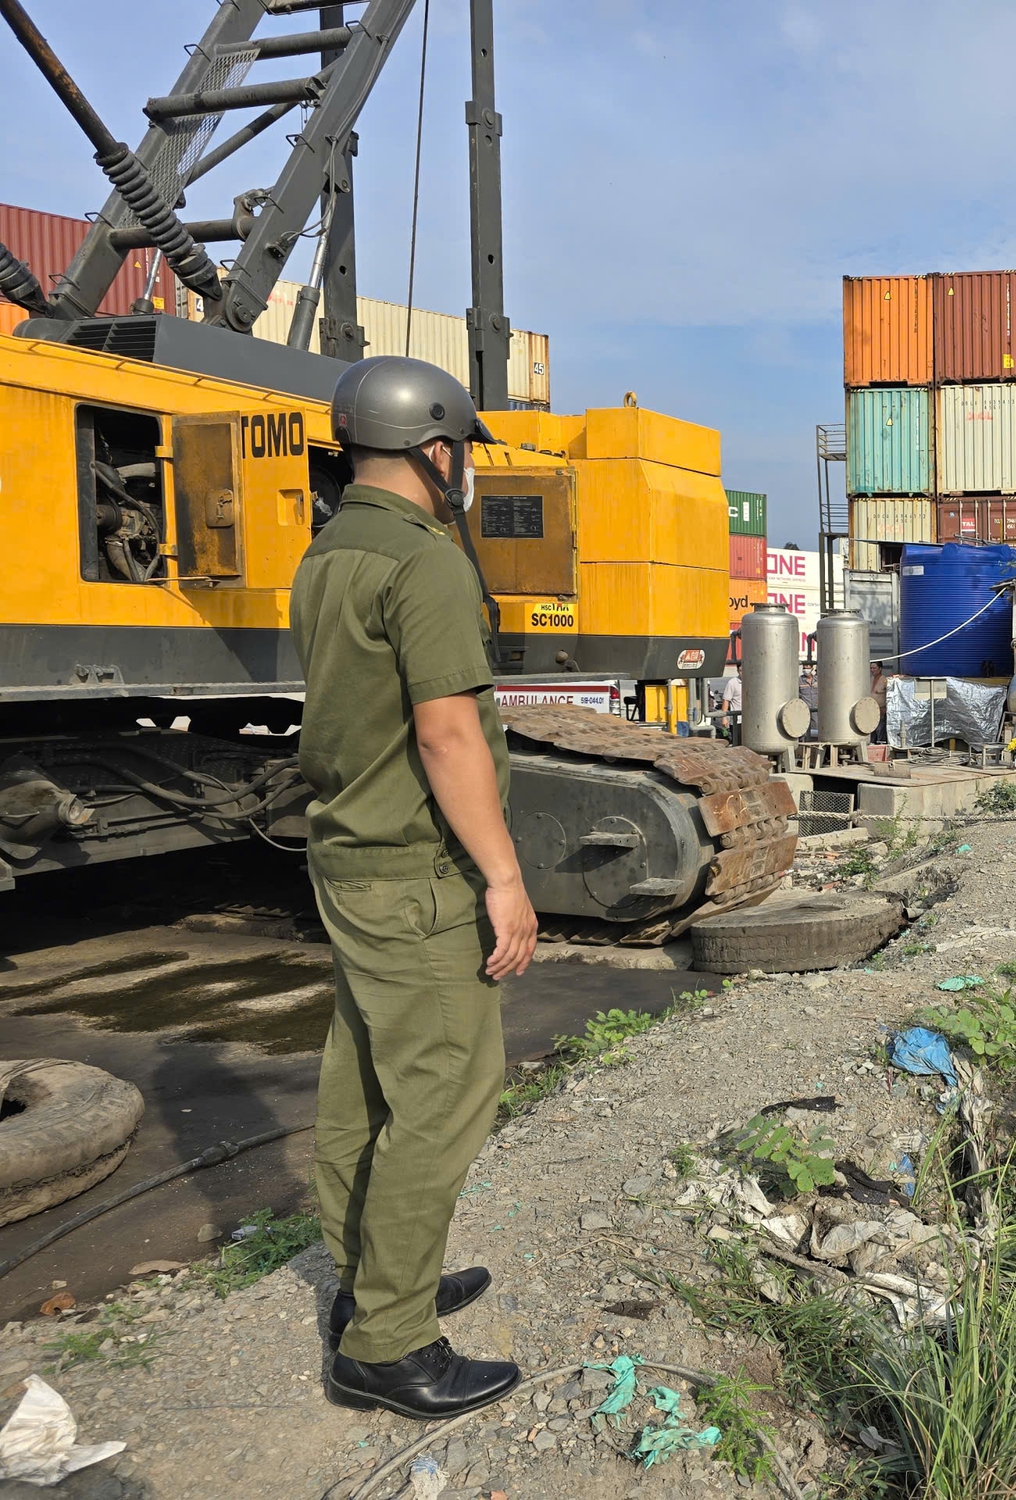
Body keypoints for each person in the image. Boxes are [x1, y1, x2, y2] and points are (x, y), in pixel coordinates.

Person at [291, 356, 533, 1421]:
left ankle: (372, 1282)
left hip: (347, 856)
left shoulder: (330, 553)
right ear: (435, 448)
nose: (465, 466)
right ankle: (388, 1345)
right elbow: (445, 732)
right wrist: (506, 880)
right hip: (417, 872)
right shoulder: (426, 564)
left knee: (364, 1087)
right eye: (462, 448)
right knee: (439, 1098)